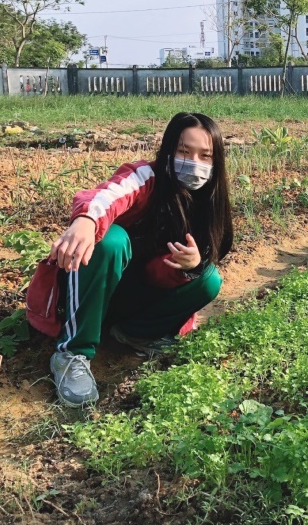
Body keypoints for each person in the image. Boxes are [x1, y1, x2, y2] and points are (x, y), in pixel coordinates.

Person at [26, 112, 234, 406]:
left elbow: (154, 273)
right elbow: (106, 196)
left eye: (205, 155)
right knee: (110, 241)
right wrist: (85, 220)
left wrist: (187, 267)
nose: (194, 163)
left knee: (207, 279)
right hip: (93, 286)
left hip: (134, 293)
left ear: (216, 162)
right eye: (184, 152)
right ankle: (72, 352)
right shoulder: (146, 178)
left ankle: (134, 334)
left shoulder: (208, 205)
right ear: (168, 150)